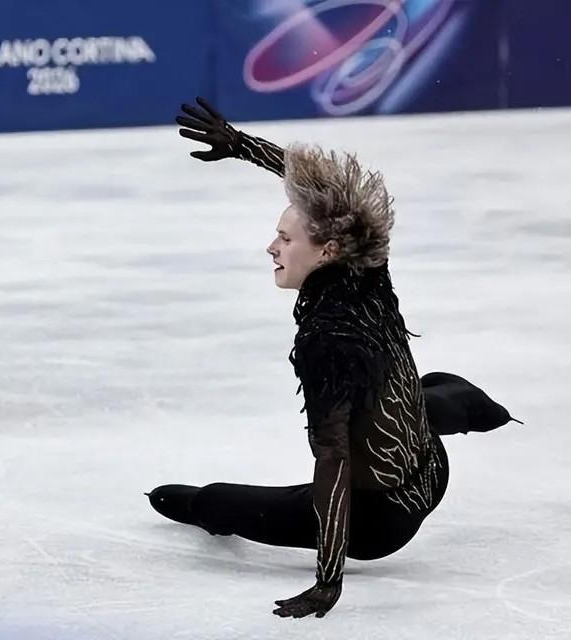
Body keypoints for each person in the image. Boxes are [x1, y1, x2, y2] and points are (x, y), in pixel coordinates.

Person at [147, 97, 523, 619]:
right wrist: (242, 146)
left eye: (285, 238)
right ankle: (479, 410)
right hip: (433, 470)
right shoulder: (366, 262)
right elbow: (330, 197)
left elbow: (334, 462)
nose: (271, 248)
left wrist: (328, 580)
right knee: (429, 387)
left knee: (215, 501)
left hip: (380, 521)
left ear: (325, 251)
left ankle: (204, 507)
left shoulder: (326, 341)